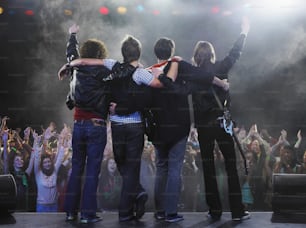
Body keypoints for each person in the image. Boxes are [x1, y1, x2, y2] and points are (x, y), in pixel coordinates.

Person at [60, 33, 178, 222]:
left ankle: (74, 211)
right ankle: (124, 211)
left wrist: (70, 63)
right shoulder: (138, 72)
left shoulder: (111, 65)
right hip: (131, 127)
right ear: (138, 53)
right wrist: (174, 64)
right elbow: (162, 84)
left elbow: (85, 61)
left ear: (123, 53)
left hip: (113, 125)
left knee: (120, 166)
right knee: (127, 168)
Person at [157, 17, 251, 221]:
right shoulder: (221, 68)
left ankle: (214, 210)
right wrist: (244, 31)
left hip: (204, 128)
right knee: (230, 166)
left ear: (196, 57)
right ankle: (237, 210)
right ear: (212, 55)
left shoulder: (191, 75)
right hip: (222, 124)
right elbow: (235, 53)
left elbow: (175, 88)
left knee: (208, 168)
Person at [150, 37, 229, 223]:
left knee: (161, 168)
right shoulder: (180, 65)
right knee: (174, 169)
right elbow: (204, 76)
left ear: (156, 53)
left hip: (158, 128)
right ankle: (170, 213)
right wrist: (222, 84)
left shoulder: (150, 71)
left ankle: (159, 211)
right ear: (171, 51)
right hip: (178, 127)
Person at [58, 24, 114, 224]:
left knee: (76, 168)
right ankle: (88, 214)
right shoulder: (104, 70)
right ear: (100, 54)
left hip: (79, 125)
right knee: (92, 171)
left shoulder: (75, 67)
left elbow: (71, 54)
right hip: (96, 125)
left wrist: (72, 34)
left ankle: (70, 212)